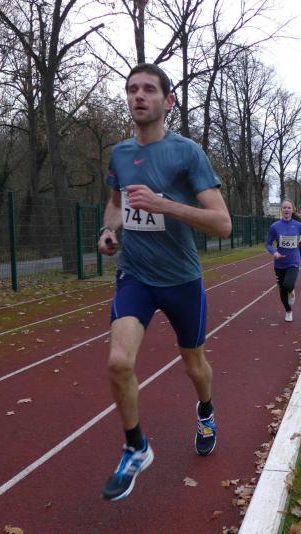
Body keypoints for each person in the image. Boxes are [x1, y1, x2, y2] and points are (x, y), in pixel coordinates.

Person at [97, 63, 232, 502]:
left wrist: (164, 205)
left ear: (168, 100)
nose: (138, 96)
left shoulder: (187, 153)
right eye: (131, 89)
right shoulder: (119, 155)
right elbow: (116, 203)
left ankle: (206, 411)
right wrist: (109, 230)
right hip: (135, 275)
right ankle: (135, 447)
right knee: (119, 363)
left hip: (180, 280)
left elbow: (222, 224)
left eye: (148, 89)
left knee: (194, 366)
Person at [266, 200, 301, 321]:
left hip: (293, 262)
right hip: (279, 263)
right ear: (281, 210)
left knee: (288, 284)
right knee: (282, 290)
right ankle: (288, 311)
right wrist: (275, 253)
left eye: (289, 208)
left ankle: (291, 289)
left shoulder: (299, 226)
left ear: (292, 210)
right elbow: (268, 244)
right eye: (284, 208)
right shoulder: (274, 227)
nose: (286, 210)